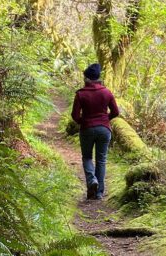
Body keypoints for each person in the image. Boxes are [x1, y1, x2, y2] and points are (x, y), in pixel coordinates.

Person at [71, 63, 120, 200]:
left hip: (87, 129)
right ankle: (99, 193)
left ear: (86, 78)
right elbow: (116, 112)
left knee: (87, 157)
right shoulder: (107, 92)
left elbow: (75, 115)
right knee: (101, 160)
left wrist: (85, 122)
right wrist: (105, 119)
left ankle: (92, 181)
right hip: (104, 129)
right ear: (99, 77)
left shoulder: (81, 94)